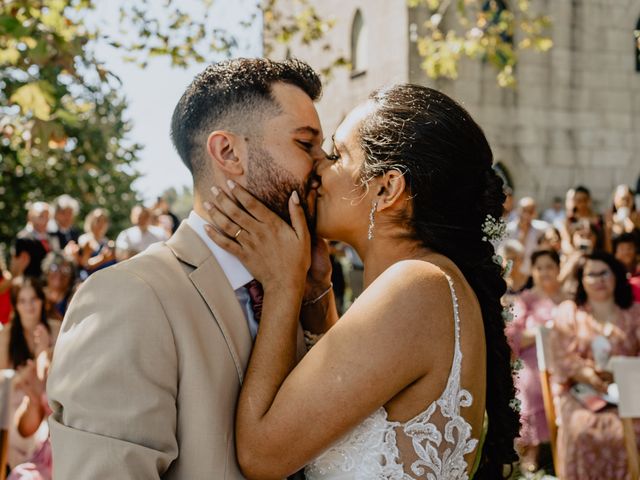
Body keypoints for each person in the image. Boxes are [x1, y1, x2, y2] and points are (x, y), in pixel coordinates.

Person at [205, 84, 520, 479]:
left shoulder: (417, 287)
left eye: (337, 154)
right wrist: (316, 288)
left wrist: (282, 284)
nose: (317, 166)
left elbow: (260, 455)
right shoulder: (433, 285)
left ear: (387, 188)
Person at [46, 58, 325, 479]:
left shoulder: (299, 282)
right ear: (228, 152)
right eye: (306, 145)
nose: (324, 166)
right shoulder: (128, 298)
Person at [551, 252, 640, 480]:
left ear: (616, 276)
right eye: (592, 274)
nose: (599, 279)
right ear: (581, 279)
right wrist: (590, 376)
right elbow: (562, 358)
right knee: (583, 429)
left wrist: (623, 373)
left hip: (630, 391)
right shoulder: (569, 312)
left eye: (604, 273)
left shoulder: (634, 313)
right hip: (580, 393)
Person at [506, 249, 566, 474]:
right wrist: (542, 331)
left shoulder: (569, 297)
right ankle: (531, 449)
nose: (544, 272)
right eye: (539, 267)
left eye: (549, 266)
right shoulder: (526, 299)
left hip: (563, 359)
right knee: (530, 383)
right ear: (533, 271)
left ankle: (564, 446)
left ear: (558, 269)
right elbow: (512, 335)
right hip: (532, 358)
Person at [0, 278, 60, 470]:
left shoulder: (57, 329)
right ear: (16, 305)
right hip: (15, 404)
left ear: (42, 301)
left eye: (34, 299)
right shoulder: (6, 336)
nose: (29, 306)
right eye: (23, 300)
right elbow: (3, 383)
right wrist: (25, 373)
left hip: (50, 400)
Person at [13, 202, 55, 278]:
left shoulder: (51, 236)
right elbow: (17, 269)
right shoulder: (23, 239)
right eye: (41, 216)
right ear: (30, 217)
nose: (45, 221)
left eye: (47, 217)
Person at [76, 208, 116, 276]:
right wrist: (102, 258)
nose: (102, 224)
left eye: (104, 221)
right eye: (98, 220)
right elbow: (85, 265)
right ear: (91, 221)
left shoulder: (106, 241)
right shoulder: (84, 239)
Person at [41, 253, 75, 320]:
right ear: (46, 271)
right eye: (54, 268)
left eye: (65, 269)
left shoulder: (74, 299)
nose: (59, 273)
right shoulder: (37, 295)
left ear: (71, 276)